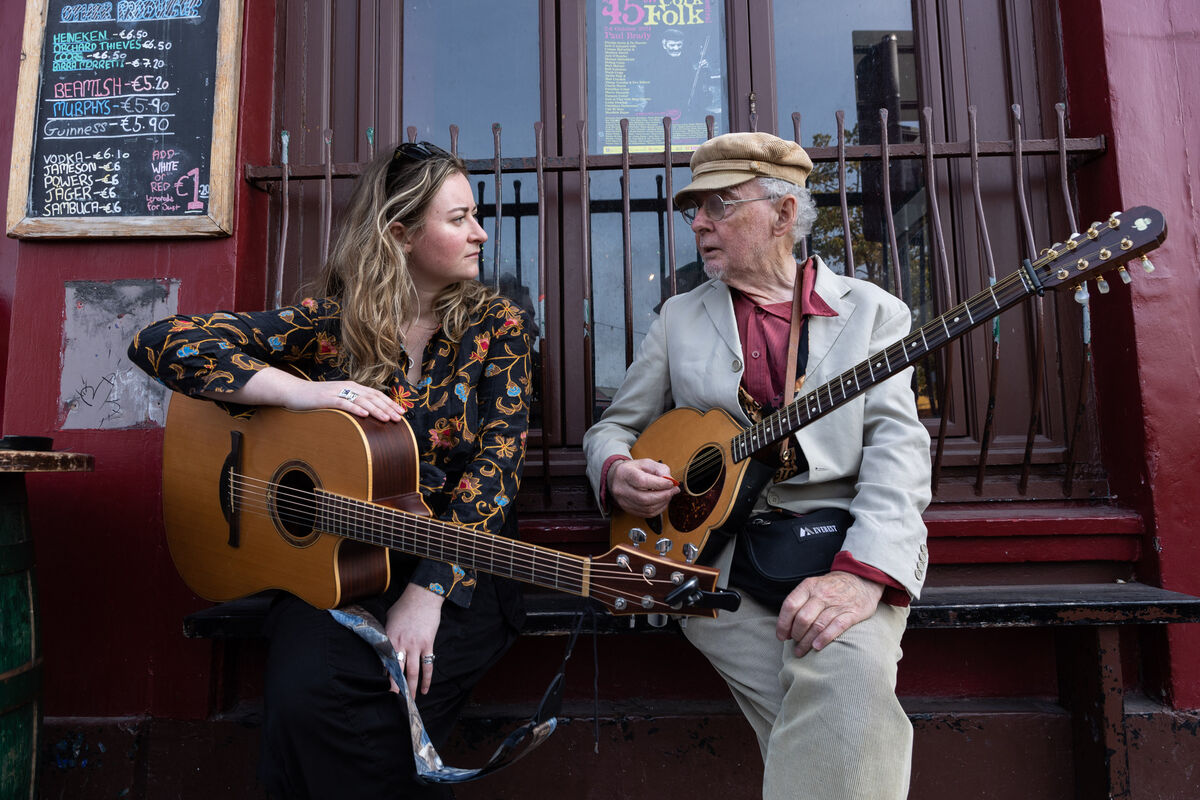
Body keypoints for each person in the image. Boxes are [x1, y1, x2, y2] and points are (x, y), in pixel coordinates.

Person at [128, 142, 532, 799]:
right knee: (304, 696)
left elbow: (497, 468)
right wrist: (302, 392)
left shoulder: (499, 326)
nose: (479, 233)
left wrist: (427, 593)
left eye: (475, 216)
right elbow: (159, 342)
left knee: (392, 707)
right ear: (399, 233)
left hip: (460, 566)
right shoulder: (330, 327)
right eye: (459, 219)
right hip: (334, 562)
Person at [582, 131, 931, 800]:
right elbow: (614, 427)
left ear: (783, 214)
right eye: (694, 209)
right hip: (712, 557)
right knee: (835, 730)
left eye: (719, 205)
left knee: (844, 692)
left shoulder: (874, 314)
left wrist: (862, 577)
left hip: (838, 545)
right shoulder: (679, 318)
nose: (698, 223)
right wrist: (617, 470)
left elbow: (899, 454)